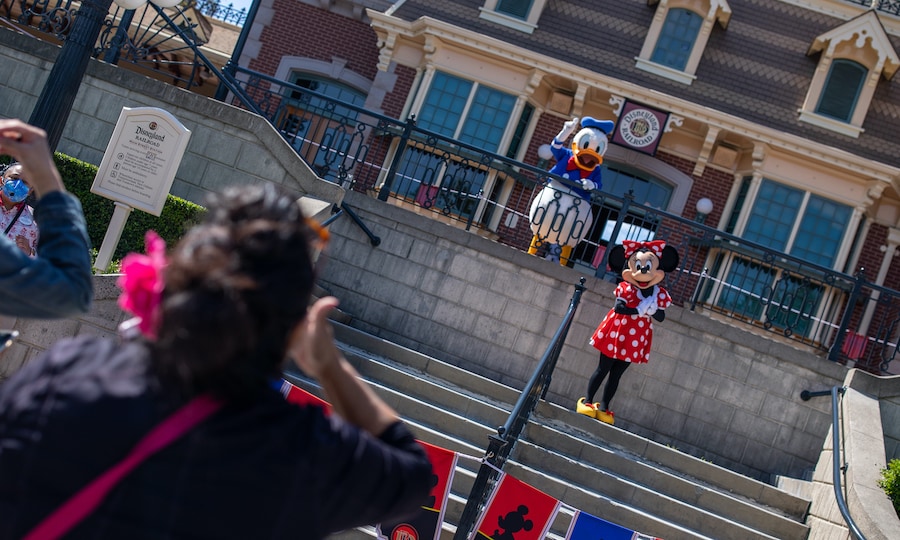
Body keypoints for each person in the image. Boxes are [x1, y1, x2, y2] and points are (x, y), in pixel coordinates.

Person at [0, 183, 433, 539]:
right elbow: (412, 477)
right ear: (291, 325)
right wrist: (329, 366)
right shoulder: (294, 453)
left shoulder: (73, 369)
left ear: (177, 277)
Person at [0, 120, 92, 317]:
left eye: (25, 182)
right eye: (14, 178)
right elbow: (73, 287)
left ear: (31, 190)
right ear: (2, 179)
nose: (18, 185)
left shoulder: (35, 221)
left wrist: (29, 252)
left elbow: (48, 263)